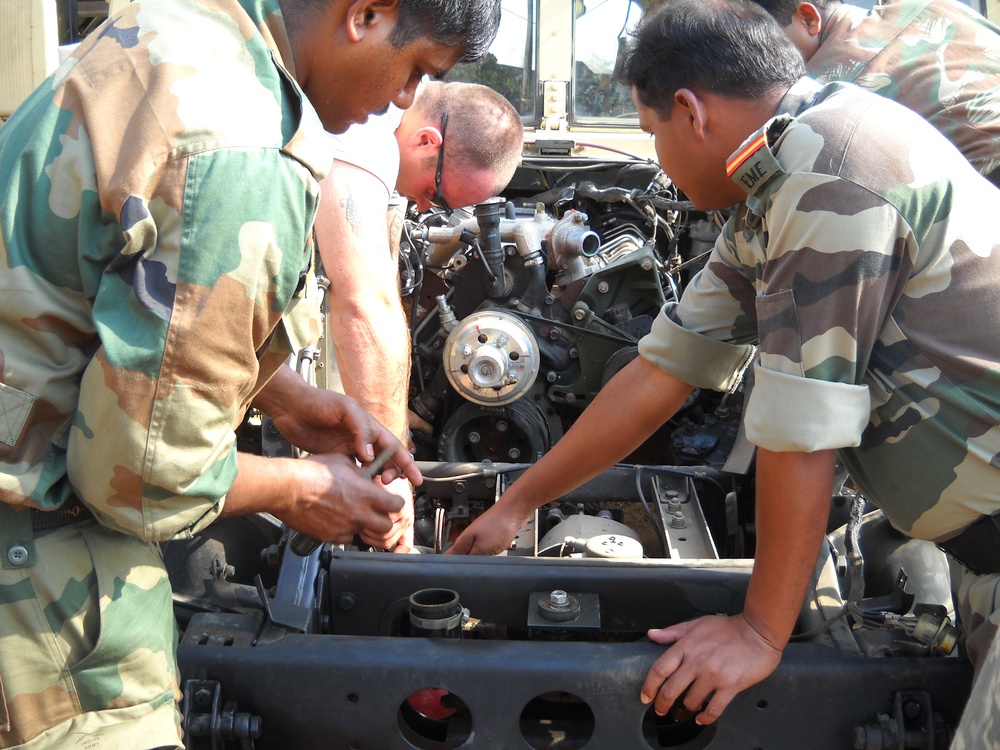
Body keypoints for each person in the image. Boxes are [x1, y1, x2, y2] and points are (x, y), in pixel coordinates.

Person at [447, 0, 1000, 728]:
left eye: (651, 134)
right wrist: (516, 505)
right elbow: (662, 371)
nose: (658, 161)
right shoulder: (777, 179)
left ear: (690, 111)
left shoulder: (830, 172)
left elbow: (803, 429)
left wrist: (759, 633)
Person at [0, 0, 500, 746]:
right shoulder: (239, 145)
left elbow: (109, 287)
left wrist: (288, 399)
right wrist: (303, 489)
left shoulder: (181, 33)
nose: (402, 100)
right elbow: (137, 477)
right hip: (37, 563)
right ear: (365, 14)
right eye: (417, 69)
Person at [315, 80, 522, 549]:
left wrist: (394, 424)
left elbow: (384, 293)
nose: (426, 207)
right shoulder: (365, 132)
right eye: (438, 195)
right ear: (428, 141)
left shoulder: (390, 125)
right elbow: (365, 303)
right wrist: (391, 477)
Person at [752, 0, 1000, 185]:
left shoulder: (825, 91)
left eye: (766, 44)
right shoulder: (930, 5)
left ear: (808, 19)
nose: (764, 61)